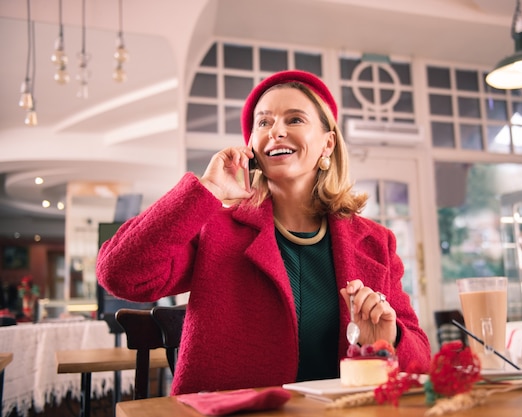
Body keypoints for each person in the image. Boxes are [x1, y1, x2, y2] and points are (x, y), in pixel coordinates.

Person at [96, 70, 431, 395]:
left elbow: (421, 361)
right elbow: (119, 273)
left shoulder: (376, 242)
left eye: (295, 119)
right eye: (264, 122)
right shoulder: (216, 229)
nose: (276, 131)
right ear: (252, 147)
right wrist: (205, 190)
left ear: (328, 144)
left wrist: (391, 338)